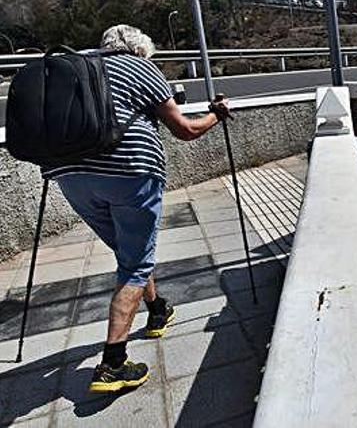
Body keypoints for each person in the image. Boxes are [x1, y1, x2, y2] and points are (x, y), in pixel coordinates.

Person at [42, 25, 231, 393]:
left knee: (130, 253)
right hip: (129, 173)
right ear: (140, 50)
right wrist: (216, 114)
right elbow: (185, 131)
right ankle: (113, 364)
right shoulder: (141, 67)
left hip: (69, 175)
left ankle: (157, 309)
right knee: (135, 263)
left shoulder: (78, 68)